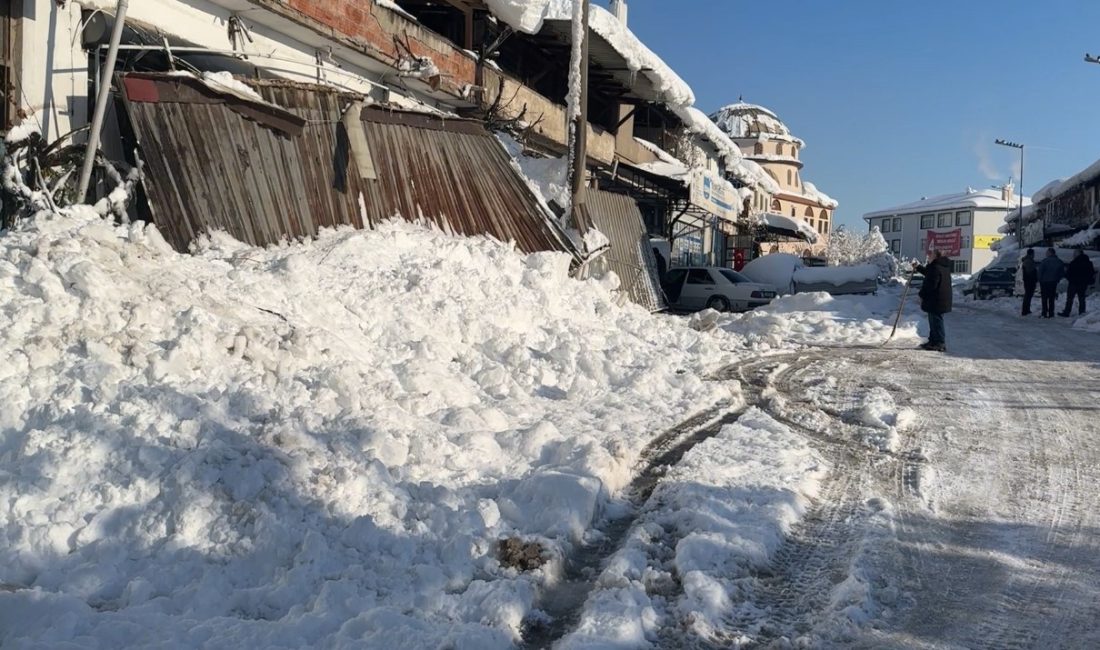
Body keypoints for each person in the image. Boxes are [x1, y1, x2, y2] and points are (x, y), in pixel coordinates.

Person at [913, 250, 953, 351]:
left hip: (937, 299)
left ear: (935, 256)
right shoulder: (941, 266)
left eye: (931, 255)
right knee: (933, 320)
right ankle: (933, 341)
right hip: (939, 298)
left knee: (936, 321)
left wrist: (922, 294)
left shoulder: (935, 267)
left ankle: (940, 343)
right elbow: (928, 273)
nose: (929, 256)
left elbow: (931, 284)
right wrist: (918, 267)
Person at [1060, 250, 1096, 317]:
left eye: (1074, 253)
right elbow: (1091, 273)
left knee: (1070, 298)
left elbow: (1069, 273)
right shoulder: (1088, 263)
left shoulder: (1074, 262)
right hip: (1083, 284)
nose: (1073, 255)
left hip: (1073, 283)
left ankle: (1067, 312)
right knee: (1081, 298)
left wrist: (1069, 278)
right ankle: (1082, 312)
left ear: (1078, 254)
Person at [1037, 248, 1065, 319]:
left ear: (1050, 253)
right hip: (1053, 282)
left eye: (1047, 252)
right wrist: (1057, 279)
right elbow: (1062, 273)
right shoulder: (1059, 261)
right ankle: (1051, 313)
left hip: (1044, 282)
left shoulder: (1045, 261)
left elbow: (1040, 271)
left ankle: (1044, 313)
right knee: (1051, 298)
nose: (1046, 254)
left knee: (1044, 298)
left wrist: (1039, 279)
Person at [1019, 248, 1038, 315]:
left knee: (1028, 295)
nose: (1034, 255)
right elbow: (1029, 271)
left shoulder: (1028, 260)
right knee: (1028, 295)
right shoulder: (1028, 261)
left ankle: (1027, 309)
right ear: (1031, 254)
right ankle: (1025, 310)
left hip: (1028, 280)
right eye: (1033, 254)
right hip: (1029, 280)